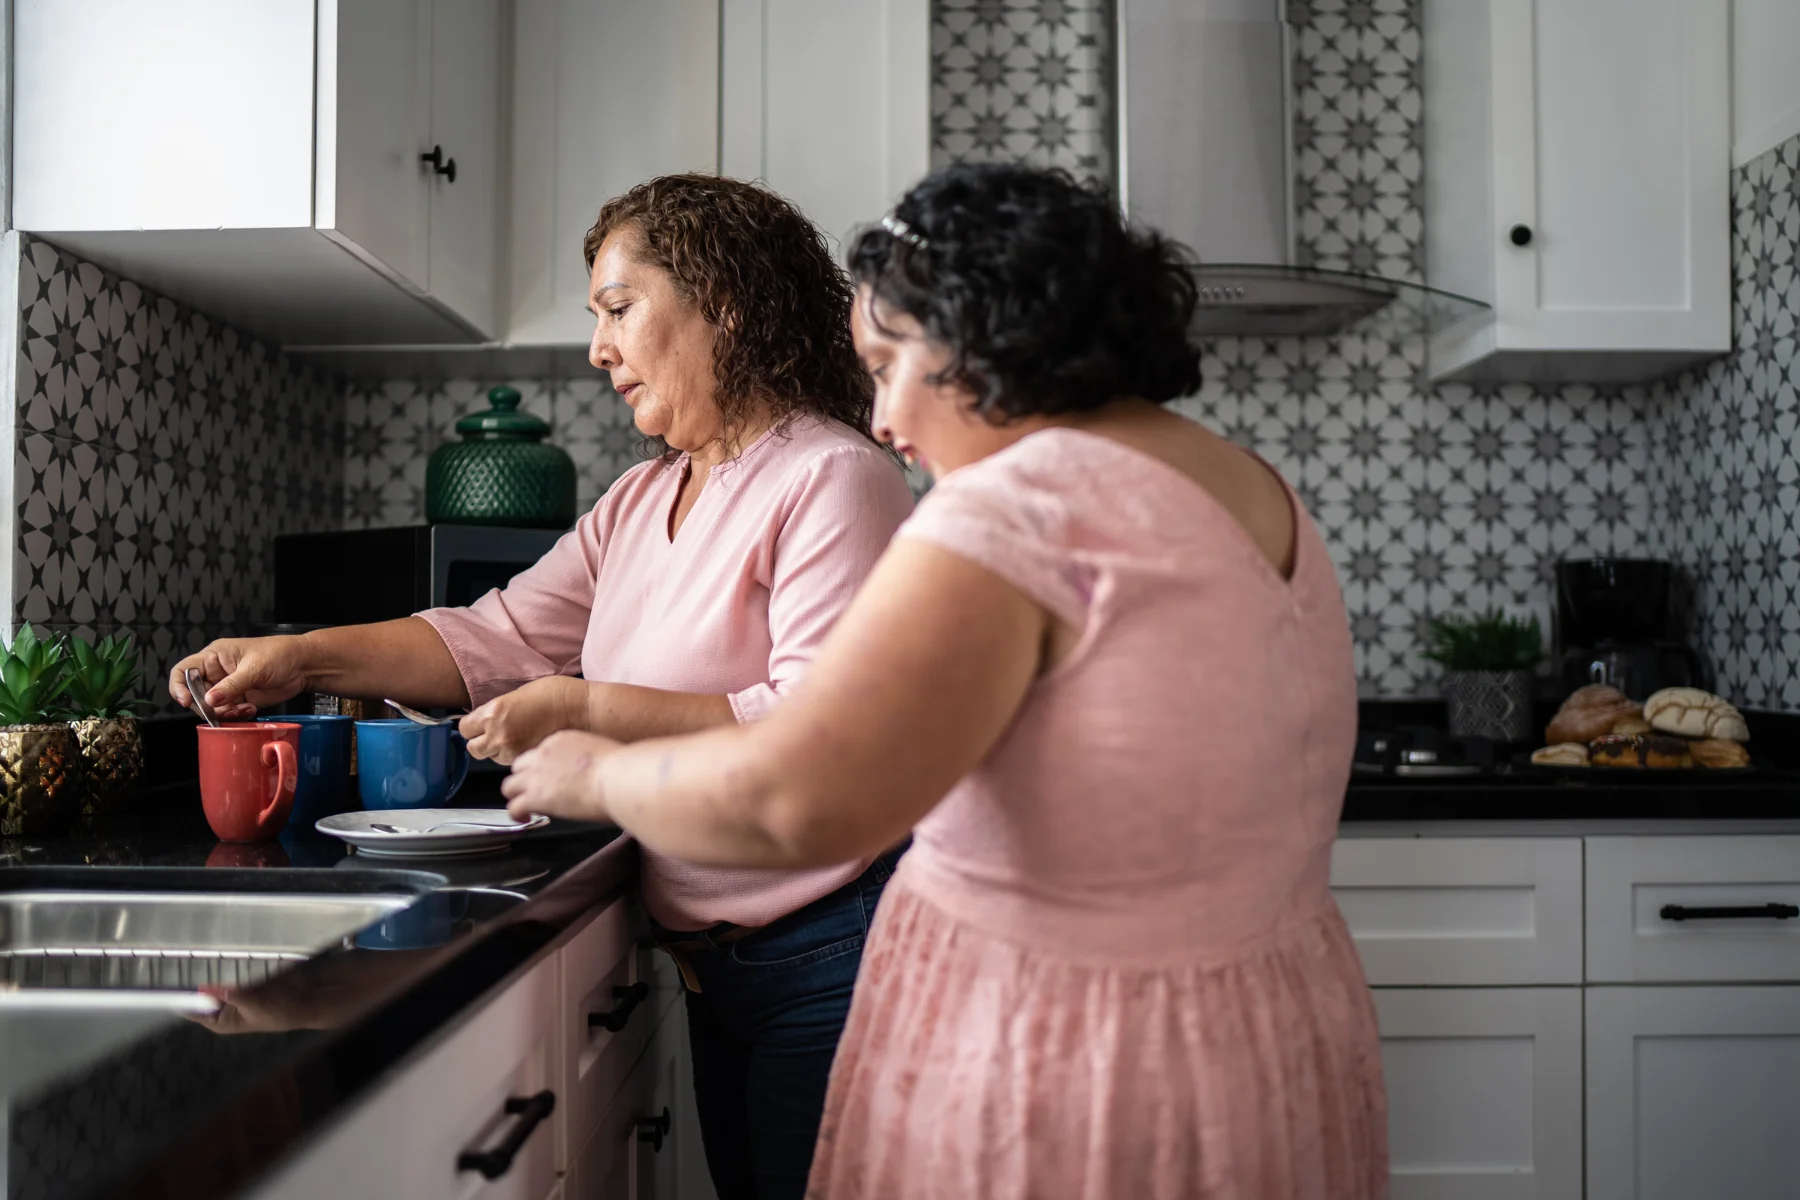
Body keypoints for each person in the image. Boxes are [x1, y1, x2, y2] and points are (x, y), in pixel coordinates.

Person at [498, 163, 1388, 1199]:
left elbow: (798, 799)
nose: (879, 419)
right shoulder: (1256, 489)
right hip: (1267, 1037)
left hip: (1065, 1056)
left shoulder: (1014, 511)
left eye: (888, 363)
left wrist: (592, 776)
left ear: (975, 337)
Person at [170, 174, 916, 1200]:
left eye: (619, 308)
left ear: (726, 302)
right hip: (716, 964)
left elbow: (813, 724)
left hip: (830, 955)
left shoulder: (834, 477)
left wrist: (582, 708)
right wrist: (295, 657)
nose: (601, 348)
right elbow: (496, 637)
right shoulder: (640, 496)